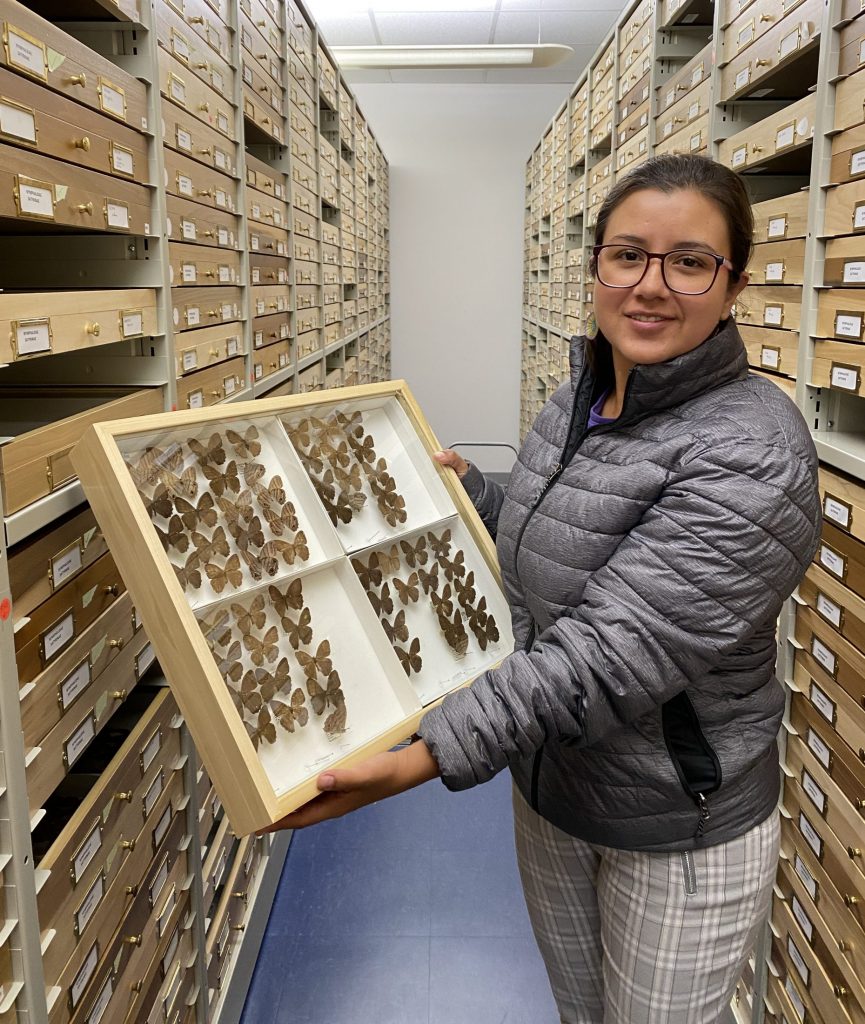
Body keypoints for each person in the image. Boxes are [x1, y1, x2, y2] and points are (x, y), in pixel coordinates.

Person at [266, 154, 821, 1023]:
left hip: (675, 825)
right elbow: (554, 548)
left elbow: (610, 654)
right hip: (555, 789)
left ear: (733, 285)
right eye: (626, 255)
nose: (649, 286)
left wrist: (425, 757)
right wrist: (468, 500)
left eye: (688, 262)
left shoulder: (754, 450)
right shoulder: (579, 396)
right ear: (595, 264)